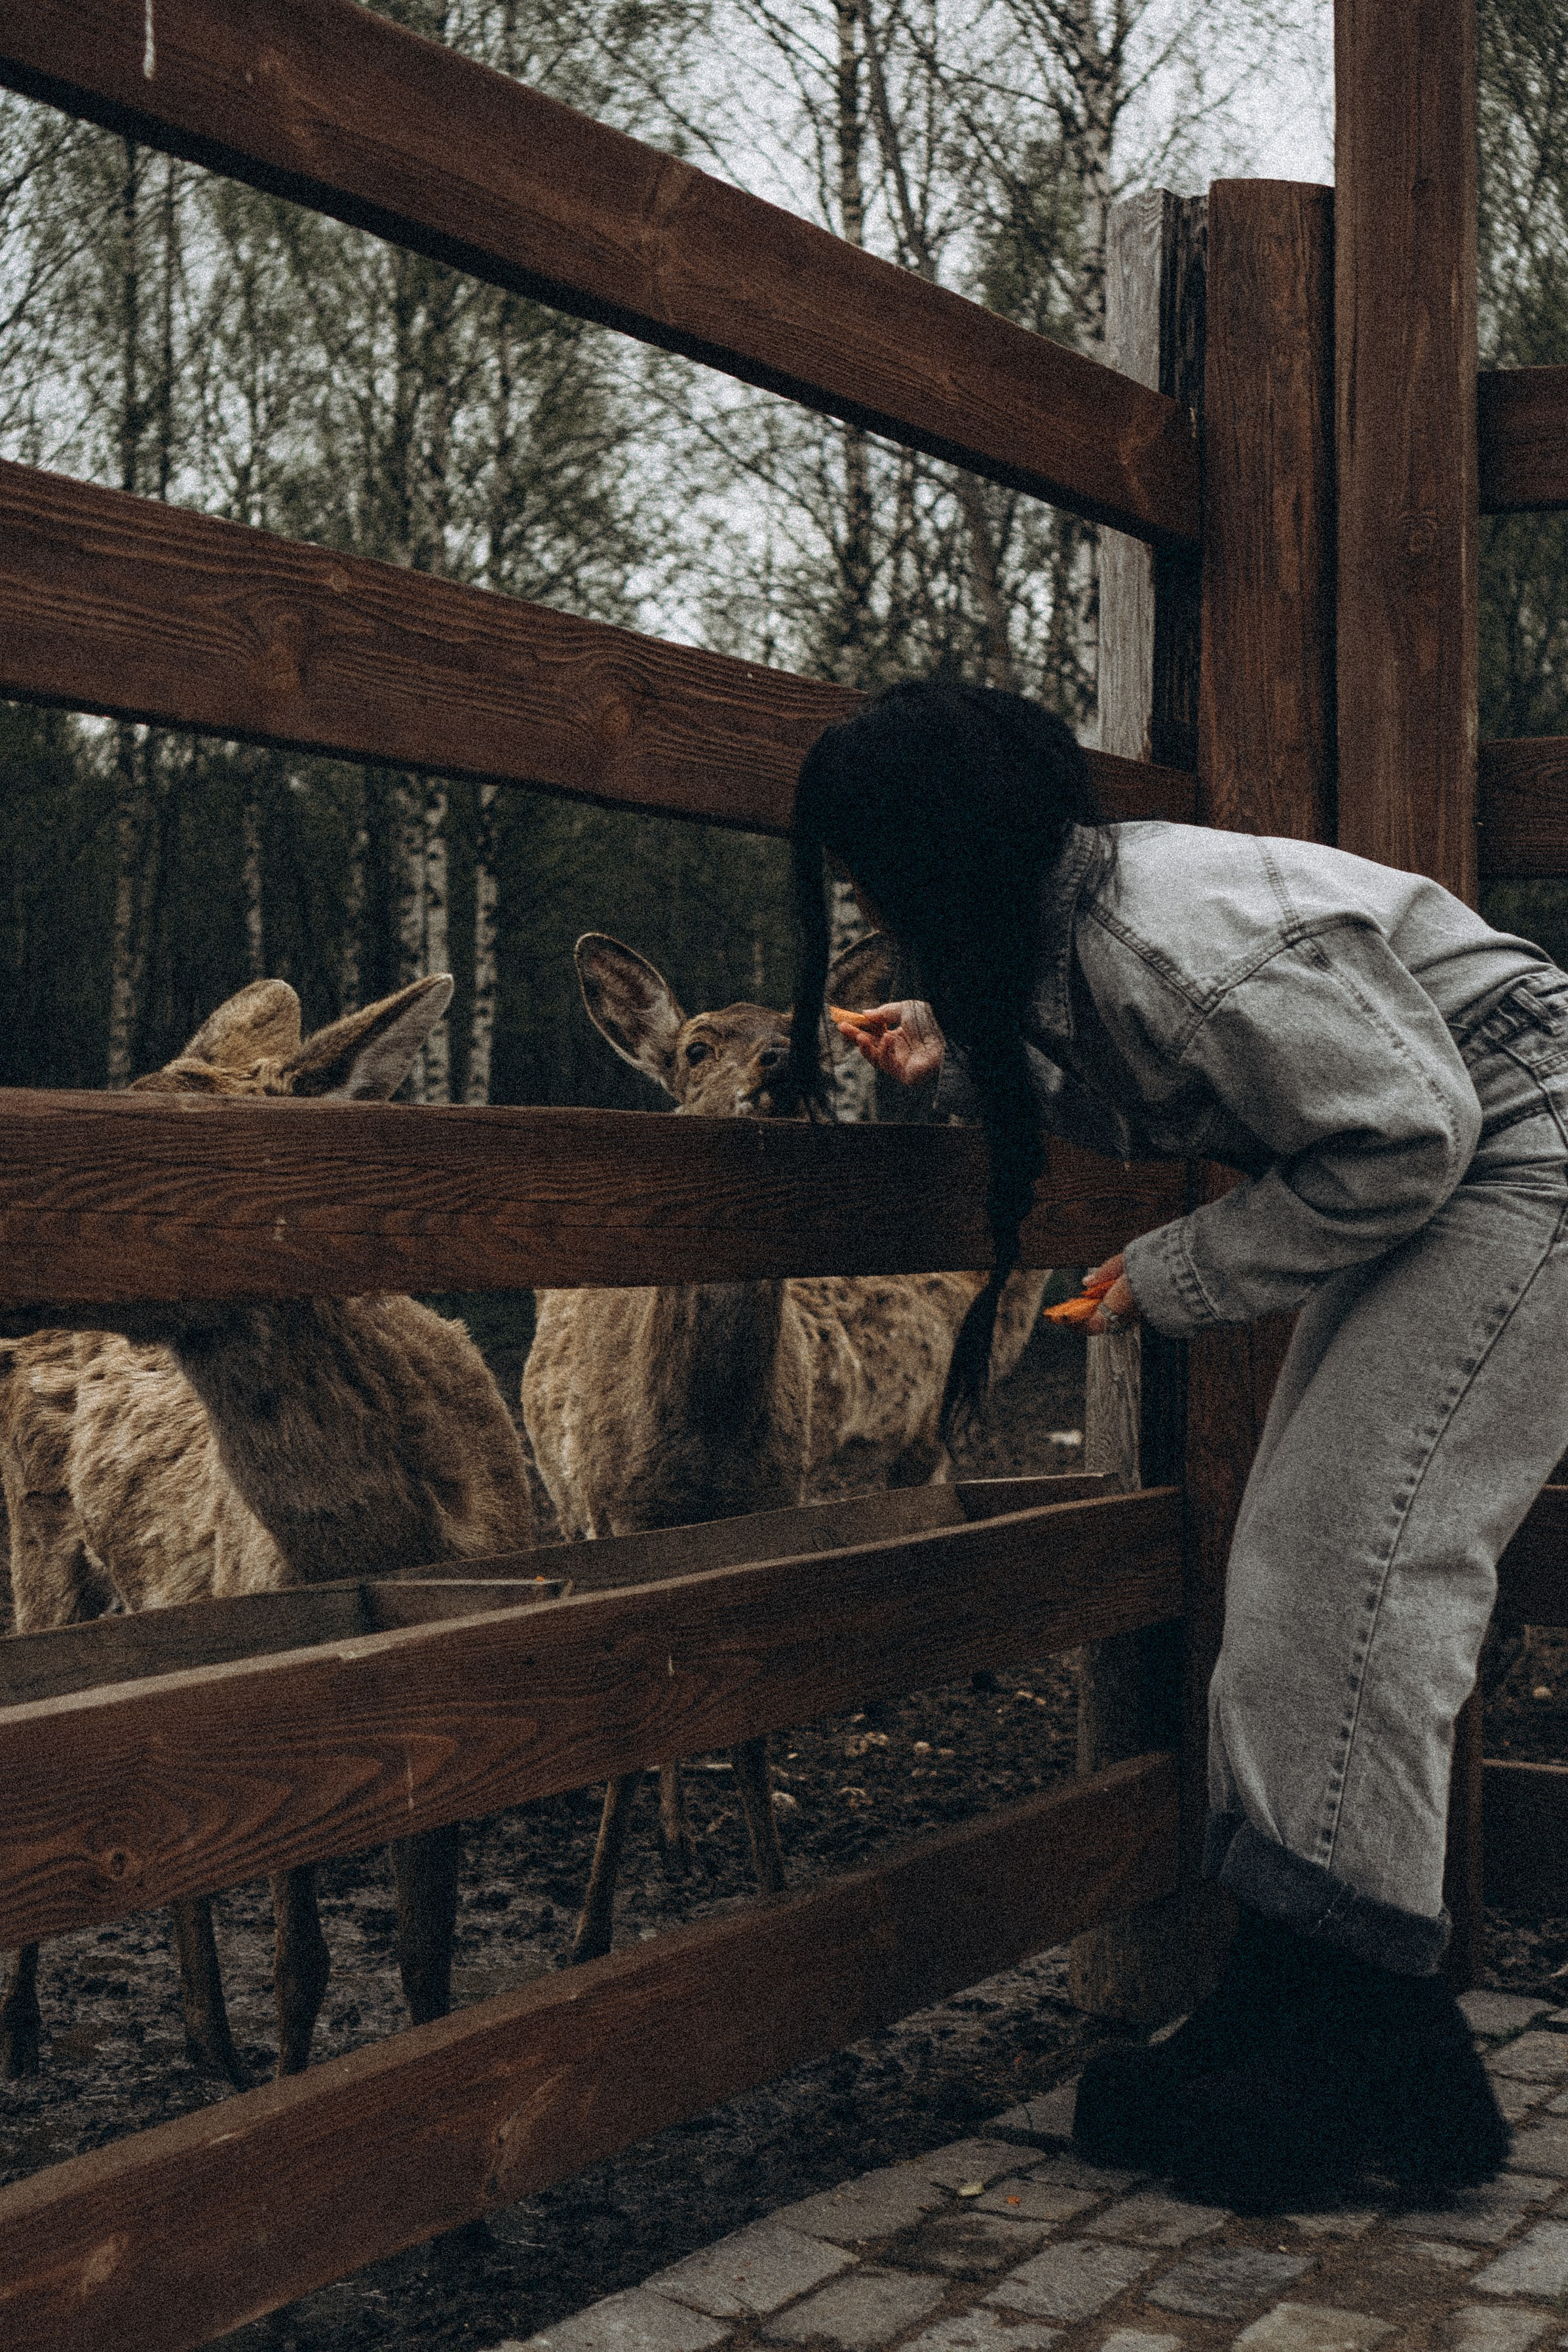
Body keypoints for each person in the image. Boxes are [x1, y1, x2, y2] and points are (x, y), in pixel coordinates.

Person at [788, 677, 1568, 2210]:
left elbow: (1407, 1128)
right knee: (1305, 1568)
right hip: (1480, 1141)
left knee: (1365, 1567)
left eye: (878, 876)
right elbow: (1166, 1039)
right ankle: (1300, 2007)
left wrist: (1177, 1272)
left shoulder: (1169, 937)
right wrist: (952, 1040)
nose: (863, 904)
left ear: (942, 861)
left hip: (1526, 1145)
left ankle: (1370, 2056)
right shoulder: (1083, 919)